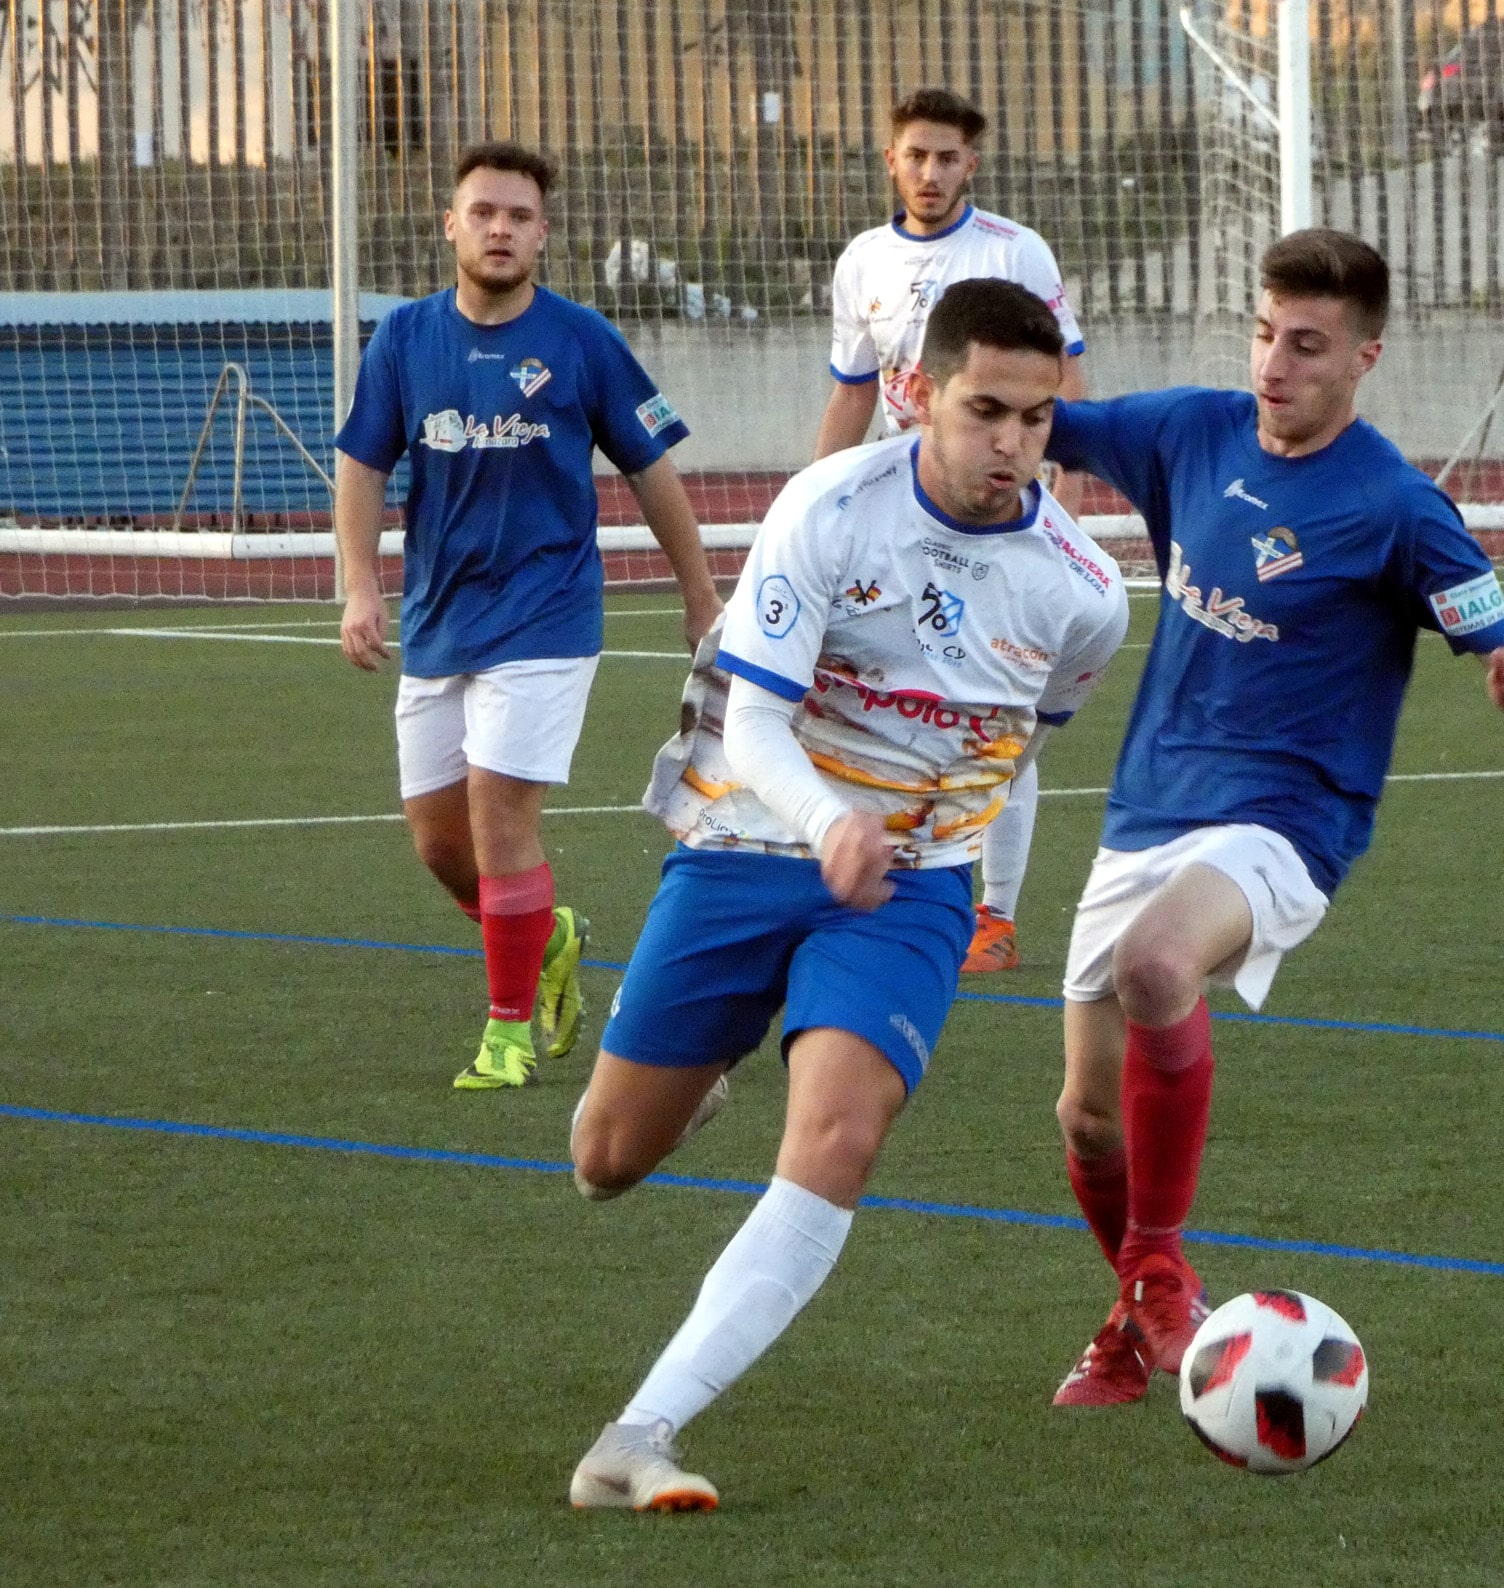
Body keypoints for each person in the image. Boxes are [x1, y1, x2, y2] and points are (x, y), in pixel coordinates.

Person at [563, 279, 1129, 1510]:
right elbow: (756, 715)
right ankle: (703, 1075)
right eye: (987, 410)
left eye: (1038, 421)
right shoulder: (828, 506)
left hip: (909, 887)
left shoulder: (1085, 595)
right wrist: (831, 819)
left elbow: (1020, 746)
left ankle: (636, 1436)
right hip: (745, 840)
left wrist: (919, 844)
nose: (1013, 445)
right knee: (603, 1159)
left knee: (838, 1134)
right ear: (918, 392)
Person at [1041, 229, 1504, 1406]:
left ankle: (1161, 1274)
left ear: (1363, 358)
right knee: (1084, 1118)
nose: (1275, 364)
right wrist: (974, 394)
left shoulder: (1390, 502)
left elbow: (1490, 613)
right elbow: (1047, 423)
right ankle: (1137, 1310)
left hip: (1287, 817)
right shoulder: (1193, 430)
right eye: (1265, 333)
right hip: (1148, 805)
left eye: (1307, 345)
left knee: (1156, 963)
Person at [334, 141, 722, 1091]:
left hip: (547, 615)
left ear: (542, 233)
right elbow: (361, 464)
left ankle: (506, 1033)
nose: (499, 228)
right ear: (451, 224)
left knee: (499, 817)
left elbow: (652, 469)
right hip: (438, 618)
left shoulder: (581, 339)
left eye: (518, 215)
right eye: (483, 212)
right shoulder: (403, 339)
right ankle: (545, 936)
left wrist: (700, 593)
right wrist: (359, 583)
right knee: (440, 844)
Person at [814, 85, 1091, 976]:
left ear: (971, 164)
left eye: (947, 157)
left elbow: (1066, 379)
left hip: (997, 518)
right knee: (875, 693)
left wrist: (1066, 501)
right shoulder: (862, 261)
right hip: (897, 514)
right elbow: (854, 390)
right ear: (889, 160)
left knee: (998, 708)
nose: (929, 173)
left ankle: (995, 915)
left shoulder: (1015, 251)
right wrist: (816, 494)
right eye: (914, 155)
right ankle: (875, 878)